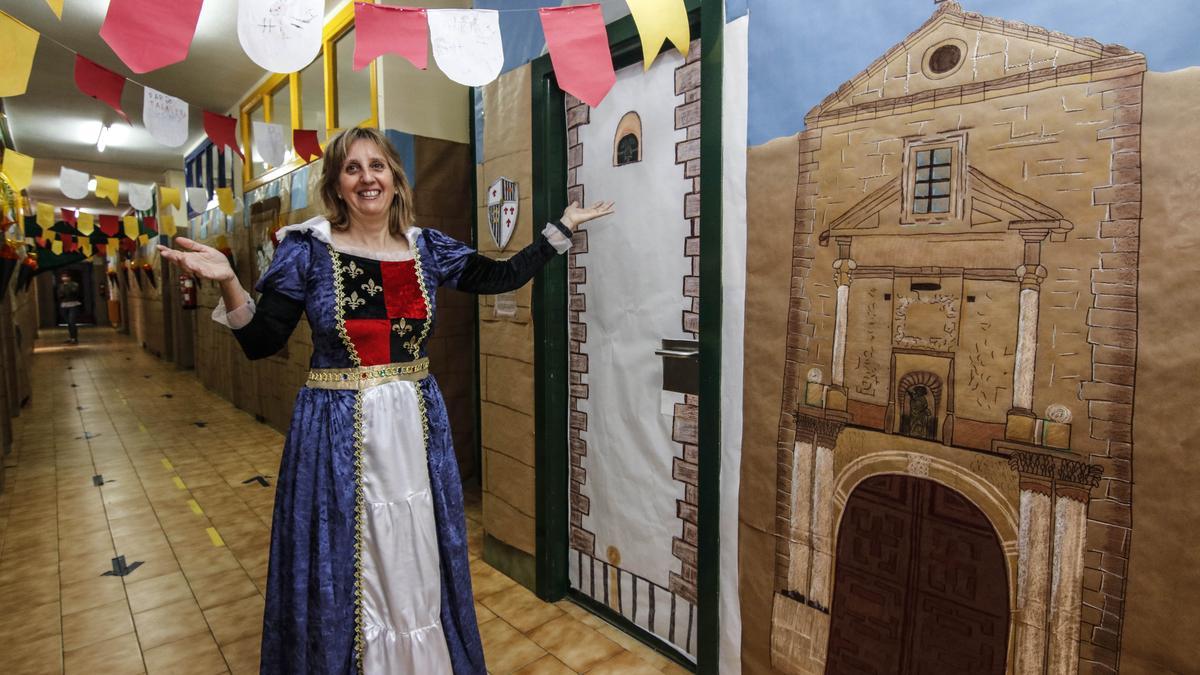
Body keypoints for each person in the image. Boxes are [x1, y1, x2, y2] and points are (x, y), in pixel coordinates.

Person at [159, 127, 614, 674]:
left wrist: (560, 230)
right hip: (335, 428)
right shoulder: (305, 249)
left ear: (396, 179)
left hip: (414, 426)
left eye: (377, 166)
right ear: (336, 184)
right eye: (352, 168)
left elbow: (499, 276)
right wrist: (230, 280)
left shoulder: (428, 249)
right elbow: (261, 343)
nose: (366, 177)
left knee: (414, 545)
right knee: (347, 551)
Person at [57, 271, 83, 344]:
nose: (64, 278)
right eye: (63, 276)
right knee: (68, 322)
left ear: (69, 277)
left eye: (66, 276)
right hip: (64, 305)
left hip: (73, 304)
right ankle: (71, 337)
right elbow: (60, 295)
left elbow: (73, 292)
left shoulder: (74, 284)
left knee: (72, 321)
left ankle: (74, 338)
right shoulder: (61, 286)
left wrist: (67, 286)